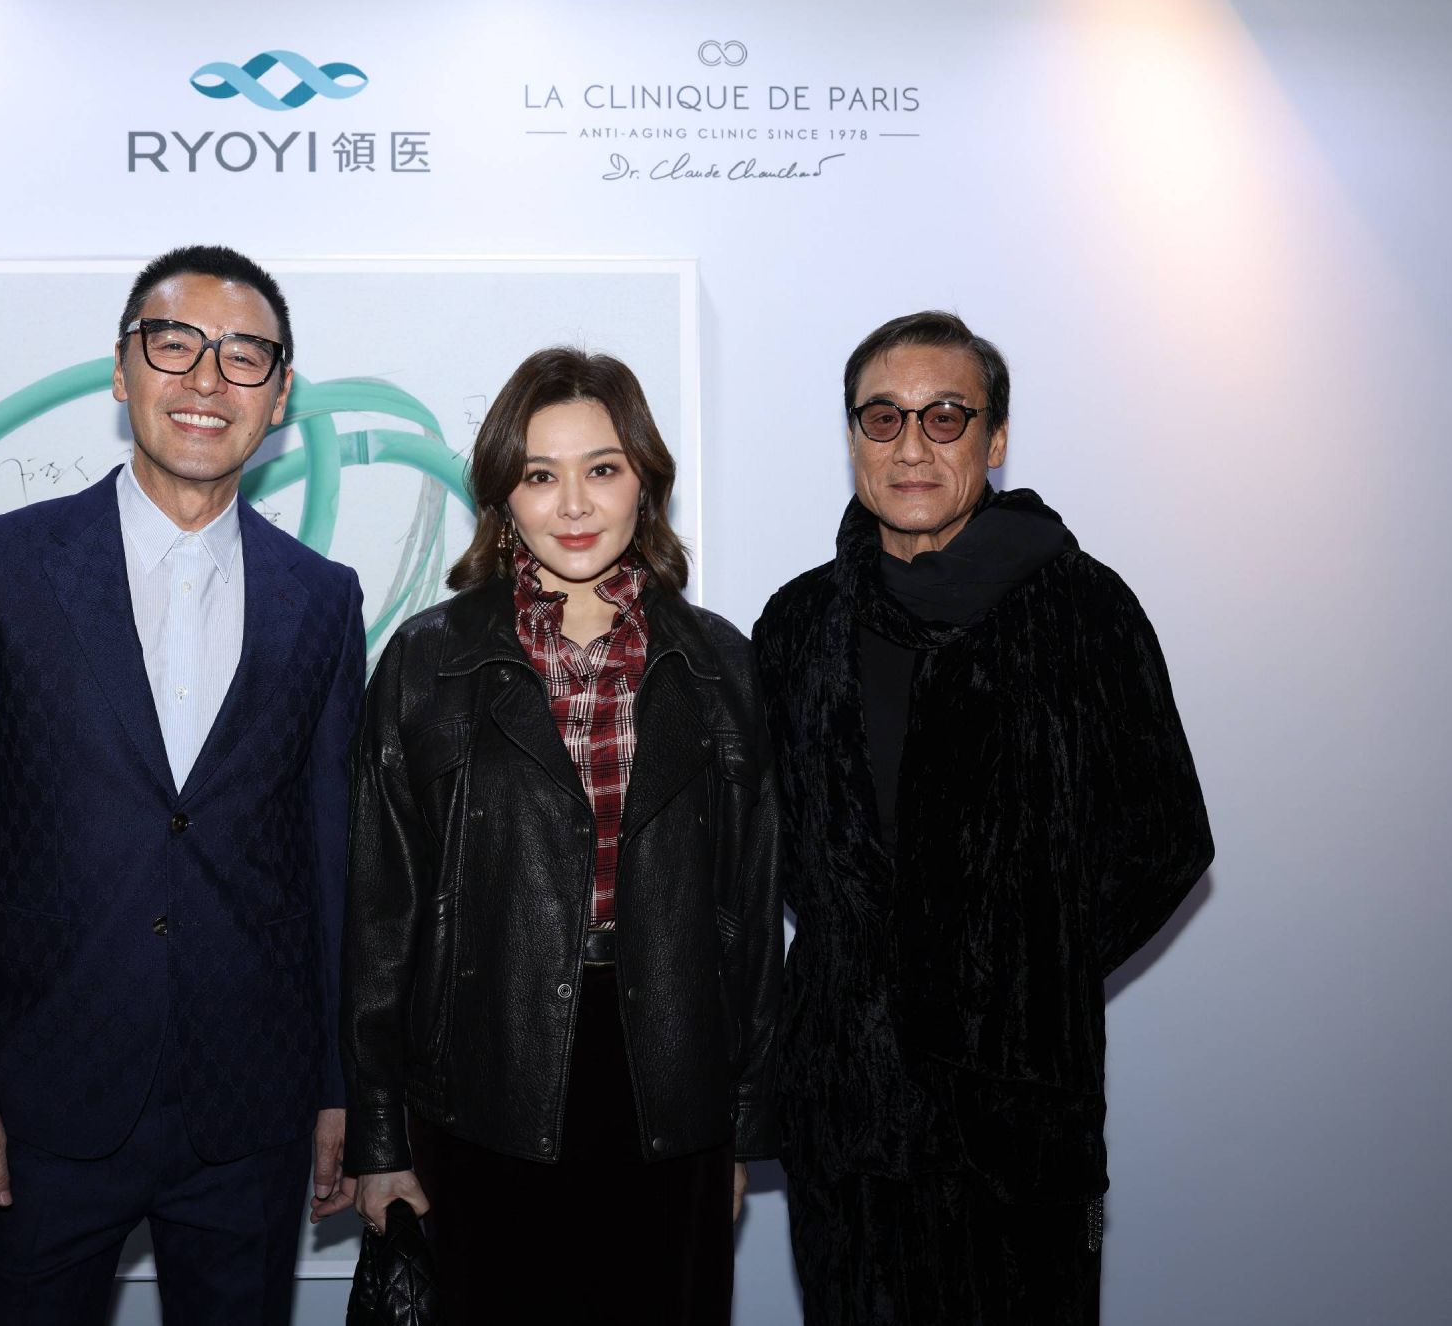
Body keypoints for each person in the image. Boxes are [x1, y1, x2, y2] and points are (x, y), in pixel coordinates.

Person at [0, 244, 365, 1325]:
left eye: (243, 356)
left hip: (250, 1109)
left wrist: (345, 1086)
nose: (206, 379)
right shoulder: (3, 566)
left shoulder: (322, 598)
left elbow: (332, 851)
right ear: (121, 369)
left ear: (279, 396)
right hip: (37, 1107)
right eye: (174, 344)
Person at [757, 311, 1214, 1325]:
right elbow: (776, 853)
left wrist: (1014, 970)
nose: (911, 445)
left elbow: (1166, 838)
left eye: (945, 416)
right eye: (882, 417)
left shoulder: (1084, 609)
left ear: (995, 437)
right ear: (853, 437)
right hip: (849, 1117)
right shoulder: (796, 625)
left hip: (1020, 1119)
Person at [341, 347, 782, 1326]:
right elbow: (379, 921)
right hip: (481, 1076)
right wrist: (379, 1139)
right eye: (540, 475)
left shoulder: (719, 663)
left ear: (643, 483)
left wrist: (742, 1125)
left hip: (669, 1081)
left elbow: (749, 912)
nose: (573, 504)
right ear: (504, 494)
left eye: (602, 468)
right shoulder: (426, 663)